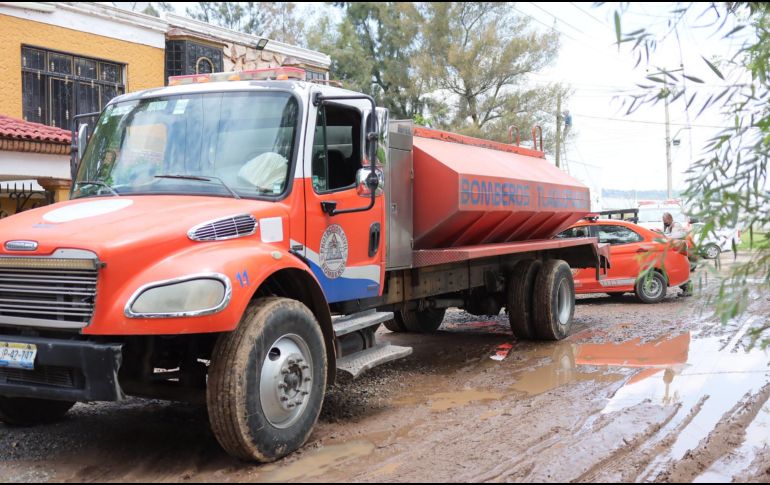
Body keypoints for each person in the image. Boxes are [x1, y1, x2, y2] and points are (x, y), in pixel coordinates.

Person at [662, 212, 693, 297]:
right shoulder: (669, 226)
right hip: (679, 250)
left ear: (670, 219)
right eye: (663, 220)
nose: (664, 222)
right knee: (680, 269)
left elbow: (676, 236)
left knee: (682, 269)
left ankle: (688, 290)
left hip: (682, 250)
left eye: (665, 220)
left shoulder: (676, 225)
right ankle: (686, 289)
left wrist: (664, 236)